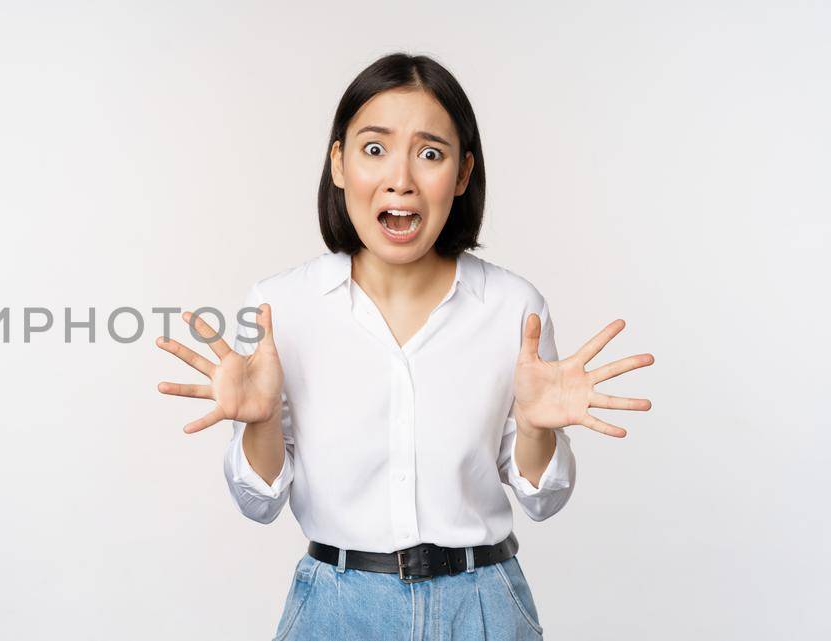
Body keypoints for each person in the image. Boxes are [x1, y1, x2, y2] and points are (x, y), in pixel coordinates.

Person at [154, 53, 655, 641]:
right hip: (335, 607)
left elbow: (543, 503)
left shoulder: (514, 308)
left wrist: (539, 429)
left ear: (462, 174)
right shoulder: (279, 306)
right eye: (374, 149)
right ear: (338, 163)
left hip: (483, 604)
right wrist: (260, 421)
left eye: (430, 153)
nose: (401, 179)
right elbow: (258, 505)